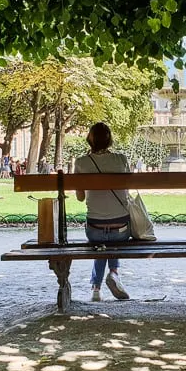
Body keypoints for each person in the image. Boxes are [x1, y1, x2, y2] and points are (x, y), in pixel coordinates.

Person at [74, 122, 131, 302]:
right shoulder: (121, 159)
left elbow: (80, 198)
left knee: (101, 244)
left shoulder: (81, 162)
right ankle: (113, 273)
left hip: (94, 228)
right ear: (109, 140)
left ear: (90, 140)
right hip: (121, 228)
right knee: (112, 240)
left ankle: (96, 288)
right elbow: (127, 192)